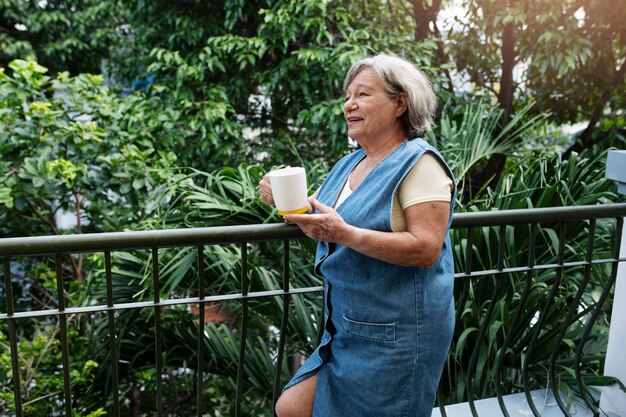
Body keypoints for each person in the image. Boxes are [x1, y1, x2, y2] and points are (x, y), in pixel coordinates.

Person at [258, 54, 456, 417]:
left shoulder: (420, 162)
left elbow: (426, 249)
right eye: (348, 96)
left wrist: (346, 234)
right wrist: (286, 200)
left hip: (398, 336)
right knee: (290, 407)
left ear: (400, 103)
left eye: (363, 94)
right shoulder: (348, 164)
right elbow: (326, 223)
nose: (349, 104)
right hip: (346, 330)